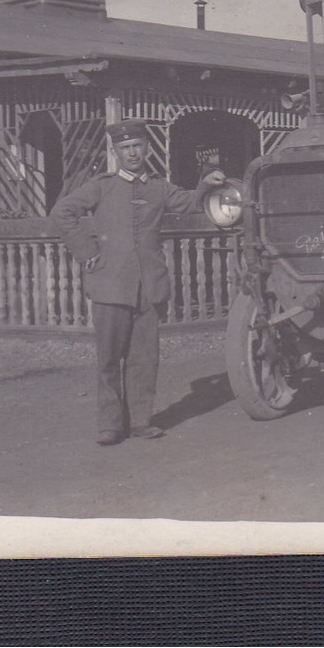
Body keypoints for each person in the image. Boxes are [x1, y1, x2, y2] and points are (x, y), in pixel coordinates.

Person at [51, 119, 226, 446]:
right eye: (125, 148)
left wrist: (205, 183)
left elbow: (188, 204)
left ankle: (141, 422)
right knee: (108, 358)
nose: (132, 153)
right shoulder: (101, 185)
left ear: (147, 149)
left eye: (137, 147)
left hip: (149, 286)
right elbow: (63, 212)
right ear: (116, 153)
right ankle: (109, 425)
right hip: (110, 285)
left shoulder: (158, 187)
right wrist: (87, 250)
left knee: (145, 358)